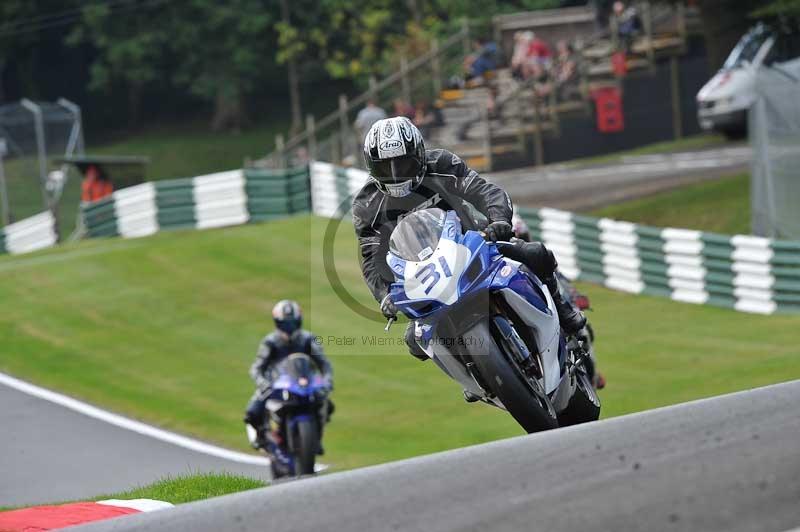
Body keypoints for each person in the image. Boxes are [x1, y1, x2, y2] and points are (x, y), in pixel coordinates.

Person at [352, 117, 586, 364]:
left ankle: (562, 308)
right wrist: (385, 294)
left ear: (419, 156)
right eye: (384, 168)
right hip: (423, 275)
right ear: (370, 168)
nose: (395, 175)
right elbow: (370, 257)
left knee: (535, 253)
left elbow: (485, 192)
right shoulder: (367, 205)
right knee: (415, 341)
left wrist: (499, 222)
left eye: (403, 164)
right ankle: (470, 370)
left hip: (473, 242)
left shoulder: (441, 164)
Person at [244, 300, 333, 450]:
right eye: (285, 324)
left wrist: (327, 381)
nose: (289, 328)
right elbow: (256, 368)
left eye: (293, 323)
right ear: (278, 324)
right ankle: (261, 436)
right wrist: (263, 383)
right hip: (276, 384)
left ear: (299, 322)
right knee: (252, 412)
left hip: (303, 383)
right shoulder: (270, 342)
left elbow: (324, 364)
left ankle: (315, 438)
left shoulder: (308, 339)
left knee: (327, 405)